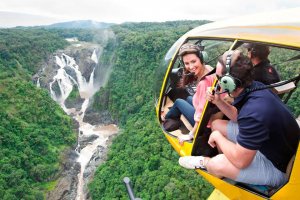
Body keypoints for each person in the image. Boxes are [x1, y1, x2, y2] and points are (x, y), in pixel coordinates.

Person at [179, 50, 299, 188]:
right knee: (217, 124)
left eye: (218, 78)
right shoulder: (255, 87)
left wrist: (218, 137)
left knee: (217, 162)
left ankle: (207, 163)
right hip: (276, 146)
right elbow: (237, 116)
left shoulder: (253, 113)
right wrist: (218, 101)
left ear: (229, 82)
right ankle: (229, 163)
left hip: (279, 168)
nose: (217, 82)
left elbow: (241, 161)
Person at [163, 43, 214, 142]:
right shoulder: (209, 68)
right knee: (188, 98)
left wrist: (191, 135)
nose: (190, 67)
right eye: (187, 63)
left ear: (201, 58)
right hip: (211, 114)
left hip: (205, 125)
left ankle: (166, 117)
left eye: (193, 61)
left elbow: (201, 115)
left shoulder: (204, 82)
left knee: (178, 102)